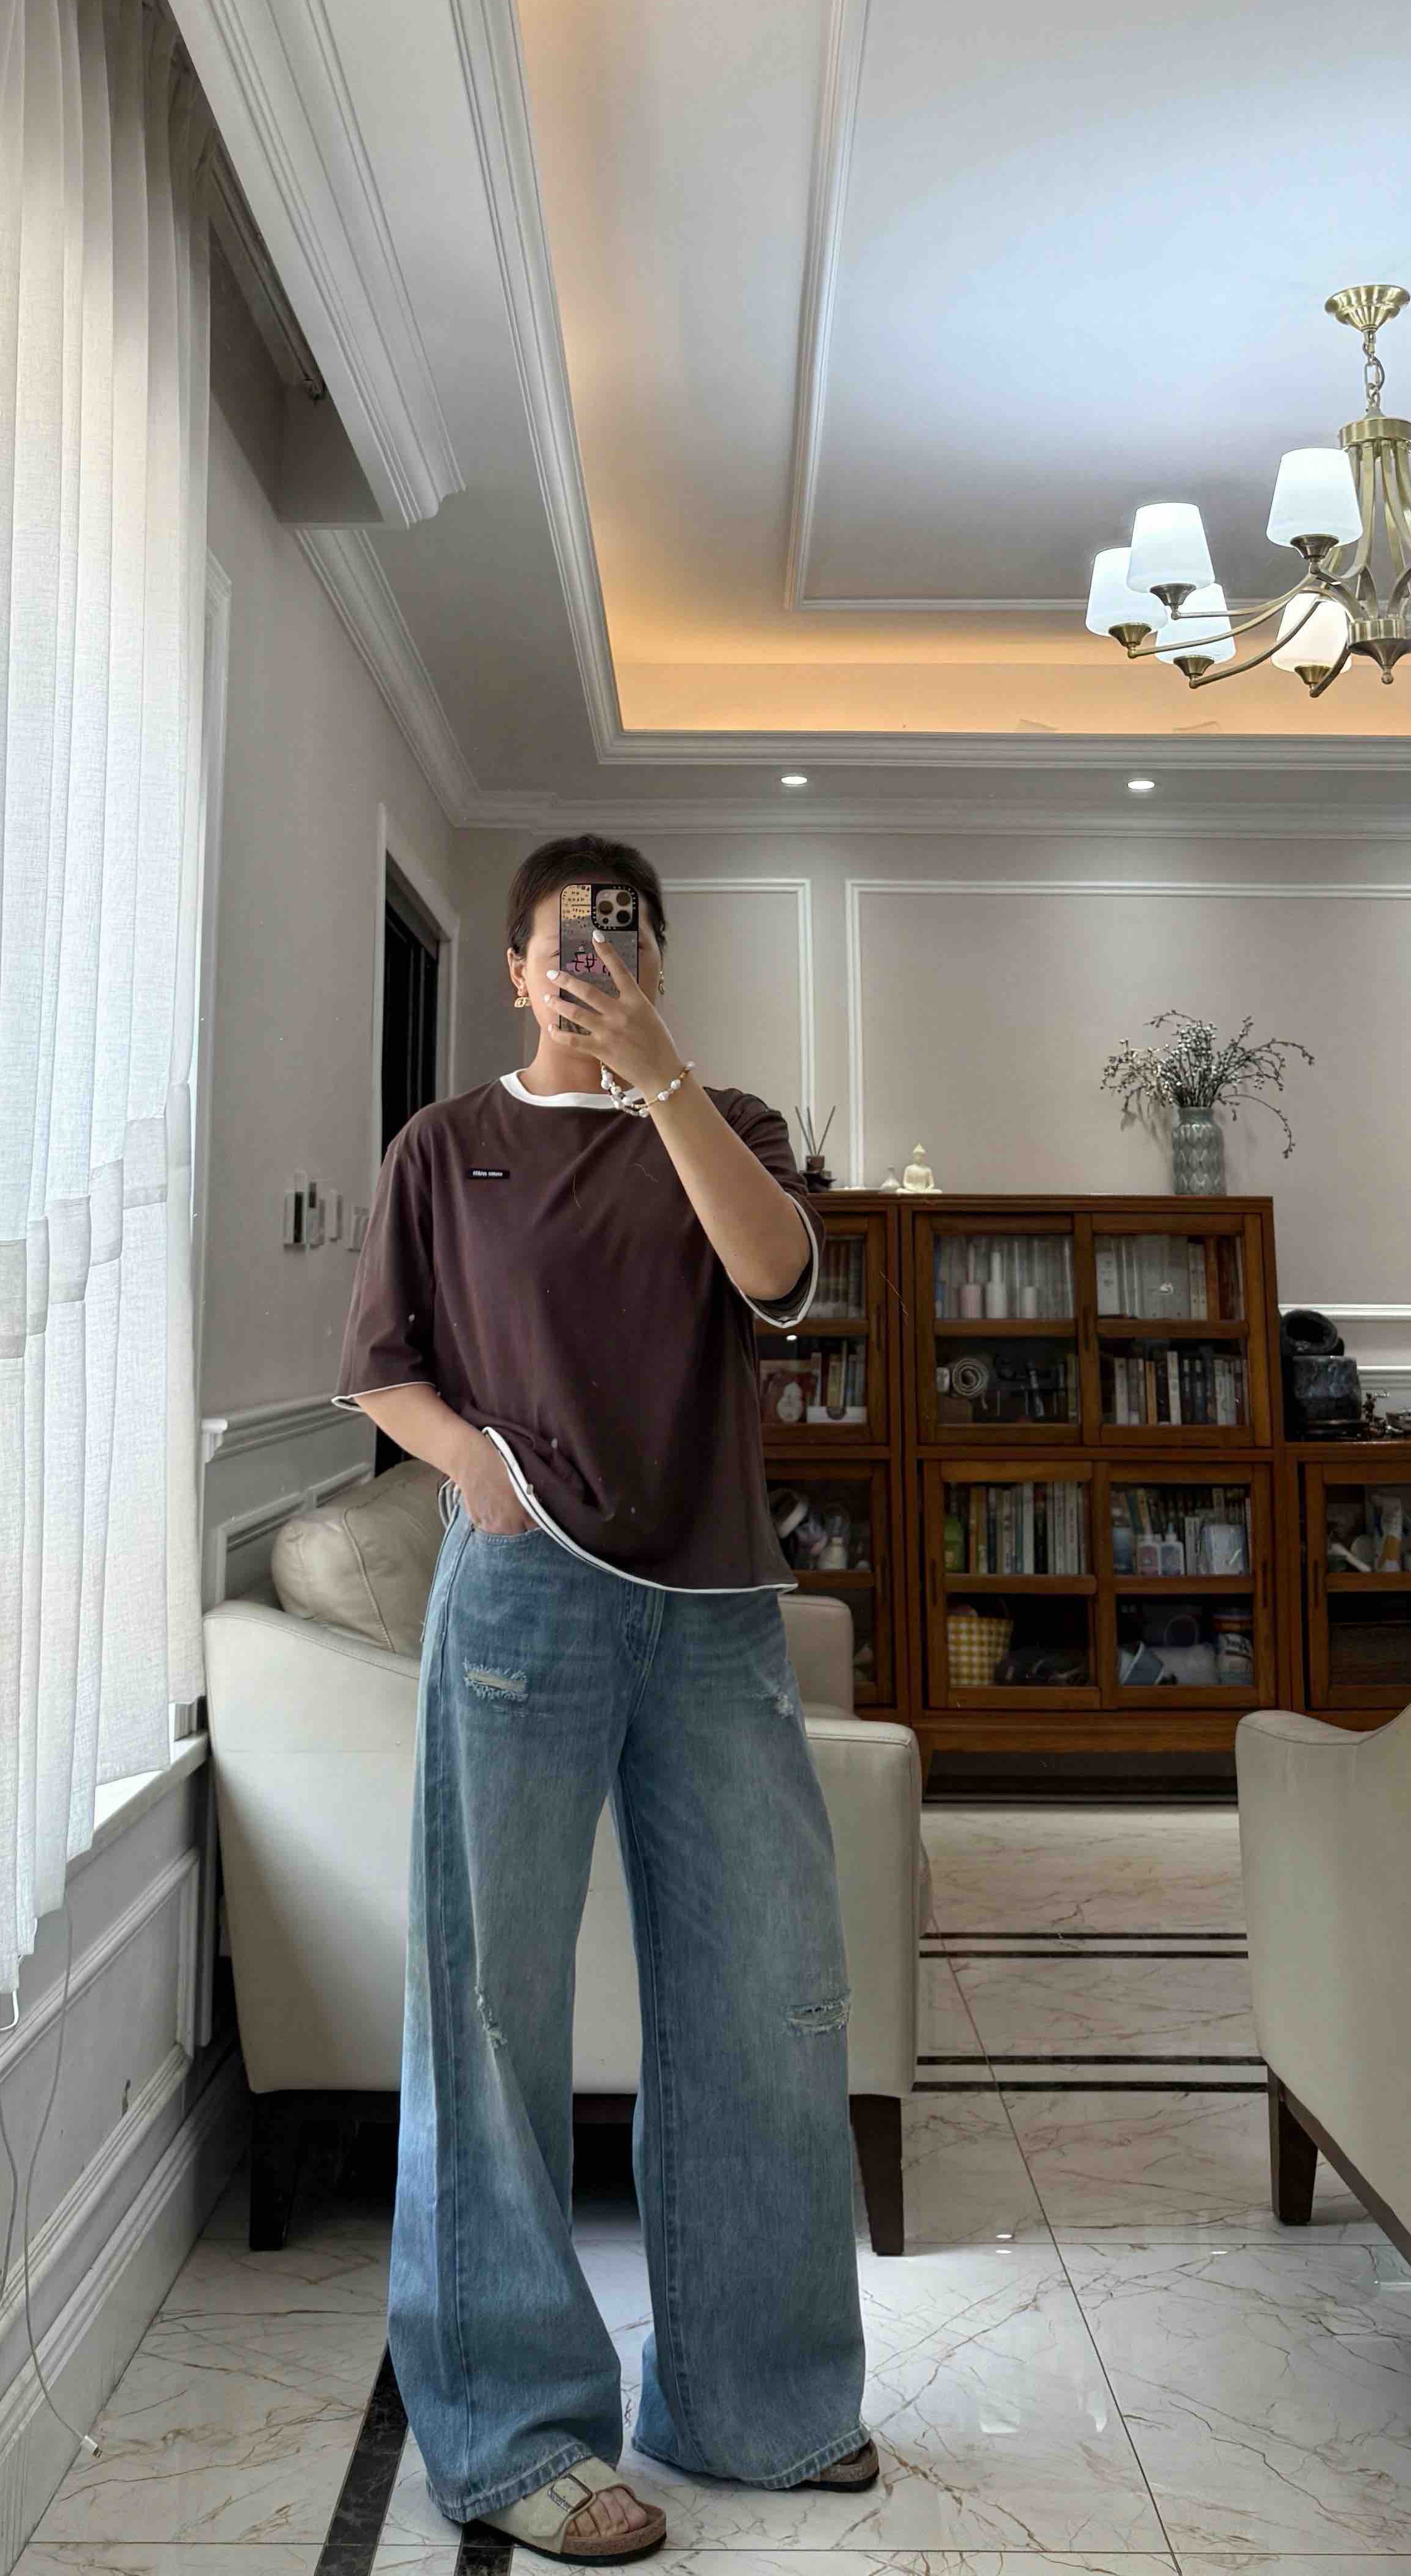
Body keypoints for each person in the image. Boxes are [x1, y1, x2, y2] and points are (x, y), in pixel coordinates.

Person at [335, 836, 874, 2564]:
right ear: (514, 969)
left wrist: (663, 1080)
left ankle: (757, 2400)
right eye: (565, 944)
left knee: (767, 1997)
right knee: (492, 2011)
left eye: (622, 940)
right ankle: (509, 2432)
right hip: (522, 1596)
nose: (592, 966)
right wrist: (471, 1465)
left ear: (657, 960)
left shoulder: (728, 1119)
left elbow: (780, 1278)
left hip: (714, 1610)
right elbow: (380, 1365)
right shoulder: (446, 1147)